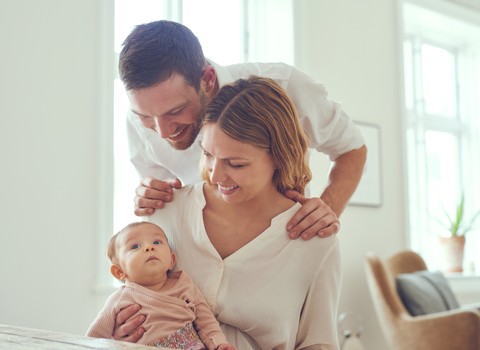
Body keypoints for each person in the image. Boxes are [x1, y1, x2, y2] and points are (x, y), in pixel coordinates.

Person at [112, 77, 342, 349]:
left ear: (279, 157)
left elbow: (319, 343)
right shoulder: (163, 214)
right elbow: (130, 298)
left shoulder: (315, 240)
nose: (216, 175)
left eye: (235, 163)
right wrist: (118, 334)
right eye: (208, 155)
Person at [119, 20, 367, 240]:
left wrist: (326, 210)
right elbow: (165, 198)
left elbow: (352, 148)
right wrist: (149, 194)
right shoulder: (137, 123)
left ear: (207, 79)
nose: (162, 132)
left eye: (175, 111)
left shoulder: (286, 87)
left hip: (282, 247)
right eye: (146, 116)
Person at [86, 221, 235, 350]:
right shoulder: (121, 298)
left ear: (171, 260)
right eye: (135, 246)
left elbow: (205, 320)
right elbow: (93, 339)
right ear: (119, 272)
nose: (149, 247)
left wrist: (219, 344)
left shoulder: (184, 284)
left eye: (156, 242)